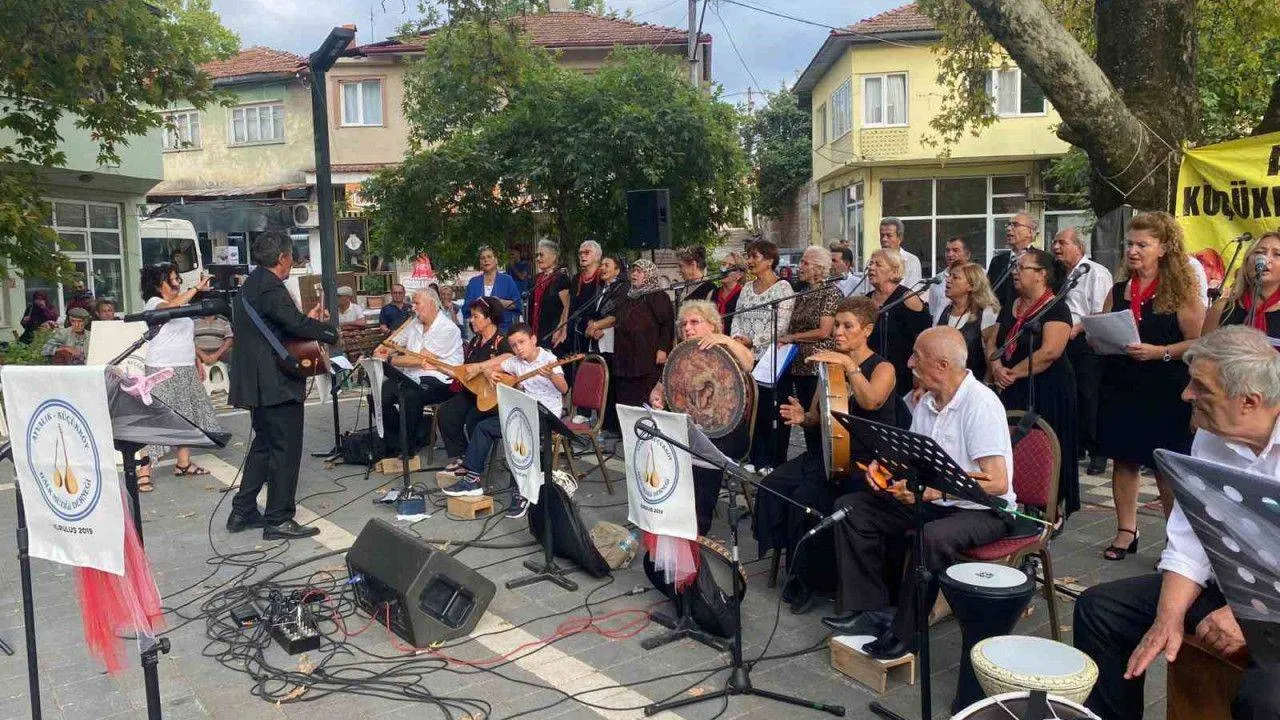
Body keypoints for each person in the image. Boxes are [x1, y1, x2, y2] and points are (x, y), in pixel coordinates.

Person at [1074, 326, 1280, 720]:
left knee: (1265, 702)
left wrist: (1251, 614)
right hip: (1232, 586)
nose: (1186, 395)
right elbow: (1192, 538)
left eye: (1201, 387)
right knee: (1100, 610)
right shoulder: (1213, 433)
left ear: (1249, 401)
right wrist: (1168, 617)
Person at [823, 327, 1015, 660]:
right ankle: (869, 610)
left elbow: (997, 483)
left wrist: (931, 493)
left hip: (983, 510)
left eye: (917, 356)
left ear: (942, 365)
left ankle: (906, 633)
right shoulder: (927, 401)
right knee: (852, 509)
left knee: (931, 538)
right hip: (937, 500)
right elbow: (911, 457)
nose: (910, 362)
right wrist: (885, 467)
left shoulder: (980, 404)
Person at [755, 296, 896, 613]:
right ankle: (792, 559)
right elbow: (817, 416)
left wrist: (849, 366)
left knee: (807, 499)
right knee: (773, 484)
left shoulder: (882, 367)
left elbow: (872, 400)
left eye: (848, 326)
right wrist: (802, 416)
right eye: (838, 325)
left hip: (865, 462)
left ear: (867, 330)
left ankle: (813, 582)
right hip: (830, 453)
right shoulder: (830, 365)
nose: (838, 332)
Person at [1097, 212, 1205, 560]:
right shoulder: (1119, 289)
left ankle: (1176, 541)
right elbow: (1104, 325)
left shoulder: (1181, 292)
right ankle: (1126, 530)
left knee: (1164, 467)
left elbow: (1198, 341)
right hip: (1123, 383)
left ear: (1163, 248)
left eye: (1142, 245)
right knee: (1123, 459)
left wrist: (1160, 352)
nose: (1133, 251)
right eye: (1129, 244)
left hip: (1165, 387)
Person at [229, 232, 337, 539]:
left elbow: (280, 324)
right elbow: (294, 324)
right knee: (284, 450)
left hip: (258, 382)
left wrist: (305, 321)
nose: (292, 262)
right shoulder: (271, 286)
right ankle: (278, 518)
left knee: (264, 446)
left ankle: (243, 511)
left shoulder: (251, 285)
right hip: (275, 383)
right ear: (281, 258)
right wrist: (328, 331)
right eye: (291, 257)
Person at [649, 300, 756, 533]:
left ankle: (696, 528)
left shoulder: (726, 349)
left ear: (713, 325)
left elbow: (748, 363)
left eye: (695, 322)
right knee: (659, 449)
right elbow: (662, 387)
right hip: (691, 428)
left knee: (699, 458)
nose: (688, 328)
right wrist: (658, 395)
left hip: (727, 432)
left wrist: (725, 339)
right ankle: (668, 519)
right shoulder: (682, 355)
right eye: (684, 324)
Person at [443, 323, 568, 519]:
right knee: (483, 427)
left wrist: (552, 375)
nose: (518, 348)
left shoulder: (549, 359)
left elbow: (564, 389)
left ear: (533, 339)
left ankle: (523, 491)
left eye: (522, 342)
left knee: (517, 434)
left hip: (546, 416)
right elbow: (491, 367)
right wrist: (488, 372)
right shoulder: (516, 361)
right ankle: (473, 480)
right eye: (514, 345)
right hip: (522, 413)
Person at [990, 247, 1080, 516]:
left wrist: (1012, 373)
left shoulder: (1056, 308)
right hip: (1011, 386)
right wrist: (996, 366)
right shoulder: (1012, 304)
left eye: (1022, 267)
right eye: (1015, 267)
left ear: (1042, 274)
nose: (1015, 272)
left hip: (1047, 388)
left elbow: (1050, 352)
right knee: (1012, 443)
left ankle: (1050, 508)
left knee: (1046, 446)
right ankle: (1015, 498)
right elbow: (993, 340)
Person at [135, 262, 225, 491]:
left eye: (178, 279)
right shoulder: (154, 302)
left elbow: (186, 338)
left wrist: (196, 361)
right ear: (159, 284)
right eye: (173, 279)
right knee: (157, 417)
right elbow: (169, 308)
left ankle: (183, 464)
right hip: (162, 367)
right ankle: (144, 471)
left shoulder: (182, 303)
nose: (178, 284)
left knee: (186, 415)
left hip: (185, 366)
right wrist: (195, 289)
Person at [1052, 226, 1114, 477]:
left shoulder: (1096, 273)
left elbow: (1101, 312)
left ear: (1079, 246)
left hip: (1087, 342)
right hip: (1064, 340)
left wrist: (1077, 328)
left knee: (1090, 396)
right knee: (1071, 393)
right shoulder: (1063, 275)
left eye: (1062, 243)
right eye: (1055, 242)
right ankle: (1077, 444)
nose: (1056, 247)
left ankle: (1099, 450)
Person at [373, 288, 464, 456]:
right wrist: (387, 352)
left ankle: (409, 446)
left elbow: (421, 359)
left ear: (432, 304)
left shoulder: (448, 328)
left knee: (409, 394)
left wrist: (390, 359)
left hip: (442, 379)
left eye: (417, 303)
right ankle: (396, 442)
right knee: (378, 394)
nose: (413, 307)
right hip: (412, 375)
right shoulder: (414, 324)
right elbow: (392, 345)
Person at [730, 238, 795, 472]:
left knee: (772, 408)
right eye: (748, 256)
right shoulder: (747, 288)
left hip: (771, 358)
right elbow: (737, 316)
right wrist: (737, 340)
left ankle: (773, 461)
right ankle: (755, 458)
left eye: (754, 256)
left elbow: (781, 325)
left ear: (769, 260)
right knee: (753, 408)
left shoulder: (783, 288)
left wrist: (753, 341)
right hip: (748, 357)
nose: (749, 261)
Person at [774, 245, 841, 461]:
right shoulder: (802, 292)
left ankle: (821, 461)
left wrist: (793, 337)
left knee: (817, 418)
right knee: (801, 416)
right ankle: (809, 459)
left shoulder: (831, 293)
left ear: (819, 268)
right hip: (797, 364)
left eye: (805, 262)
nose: (799, 267)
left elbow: (824, 331)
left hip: (816, 365)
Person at [437, 297, 513, 475]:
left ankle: (474, 463)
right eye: (471, 316)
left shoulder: (502, 341)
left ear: (489, 318)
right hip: (472, 390)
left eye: (475, 316)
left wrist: (481, 367)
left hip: (491, 396)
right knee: (446, 411)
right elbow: (466, 371)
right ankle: (463, 455)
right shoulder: (474, 342)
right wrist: (438, 367)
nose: (471, 320)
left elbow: (509, 358)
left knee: (474, 417)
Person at [606, 259, 674, 410]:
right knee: (626, 401)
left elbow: (667, 324)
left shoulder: (658, 296)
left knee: (644, 400)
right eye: (633, 271)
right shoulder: (629, 297)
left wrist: (663, 348)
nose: (634, 274)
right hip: (625, 358)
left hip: (646, 358)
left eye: (639, 271)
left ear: (649, 274)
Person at [866, 248, 931, 404]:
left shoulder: (908, 298)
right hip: (870, 375)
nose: (871, 268)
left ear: (894, 272)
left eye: (878, 264)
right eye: (870, 264)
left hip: (902, 378)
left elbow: (924, 341)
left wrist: (921, 379)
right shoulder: (866, 301)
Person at [1204, 230, 1280, 340]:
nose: (1265, 259)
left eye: (1277, 254)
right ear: (1247, 261)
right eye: (1259, 252)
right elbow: (1202, 349)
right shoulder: (1222, 308)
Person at [584, 255, 629, 433]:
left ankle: (610, 426)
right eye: (601, 265)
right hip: (595, 339)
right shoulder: (601, 288)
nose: (602, 268)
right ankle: (600, 423)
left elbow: (617, 316)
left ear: (617, 270)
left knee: (609, 385)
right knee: (598, 384)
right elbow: (592, 311)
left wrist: (595, 326)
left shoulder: (623, 287)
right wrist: (591, 325)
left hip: (611, 341)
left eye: (607, 265)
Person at [935, 262, 1000, 380]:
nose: (948, 280)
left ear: (971, 286)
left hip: (974, 383)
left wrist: (987, 383)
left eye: (955, 277)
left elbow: (991, 353)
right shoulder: (944, 309)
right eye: (949, 276)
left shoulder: (986, 312)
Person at [463, 245, 521, 333]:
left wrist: (499, 302)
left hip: (503, 330)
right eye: (482, 258)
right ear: (480, 263)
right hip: (479, 331)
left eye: (489, 257)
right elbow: (466, 308)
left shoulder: (507, 280)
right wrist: (479, 305)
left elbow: (517, 304)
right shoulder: (473, 282)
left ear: (496, 260)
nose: (486, 260)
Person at [988, 213, 1040, 308]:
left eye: (1015, 225)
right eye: (1008, 225)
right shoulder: (997, 261)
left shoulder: (1042, 260)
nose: (1008, 228)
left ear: (1030, 232)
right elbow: (988, 292)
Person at [529, 240, 572, 351]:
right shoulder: (536, 278)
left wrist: (559, 329)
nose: (538, 258)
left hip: (552, 332)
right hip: (535, 332)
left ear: (553, 257)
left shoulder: (561, 278)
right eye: (537, 255)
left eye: (541, 255)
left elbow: (567, 307)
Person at [566, 240, 602, 364]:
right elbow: (569, 305)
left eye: (587, 252)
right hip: (576, 329)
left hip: (595, 330)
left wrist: (597, 325)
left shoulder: (602, 276)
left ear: (597, 256)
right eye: (580, 253)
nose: (582, 255)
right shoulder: (576, 278)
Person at [930, 237, 973, 323]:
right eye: (947, 250)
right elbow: (933, 311)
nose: (950, 254)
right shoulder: (937, 280)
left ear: (967, 255)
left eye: (955, 250)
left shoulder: (979, 277)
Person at [879, 218, 922, 287]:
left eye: (889, 235)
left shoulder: (911, 261)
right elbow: (864, 291)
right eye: (882, 235)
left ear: (900, 238)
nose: (884, 239)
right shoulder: (872, 262)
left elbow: (913, 291)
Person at [712, 251, 745, 333]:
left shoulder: (744, 295)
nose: (724, 269)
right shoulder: (713, 293)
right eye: (723, 264)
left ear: (739, 274)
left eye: (730, 266)